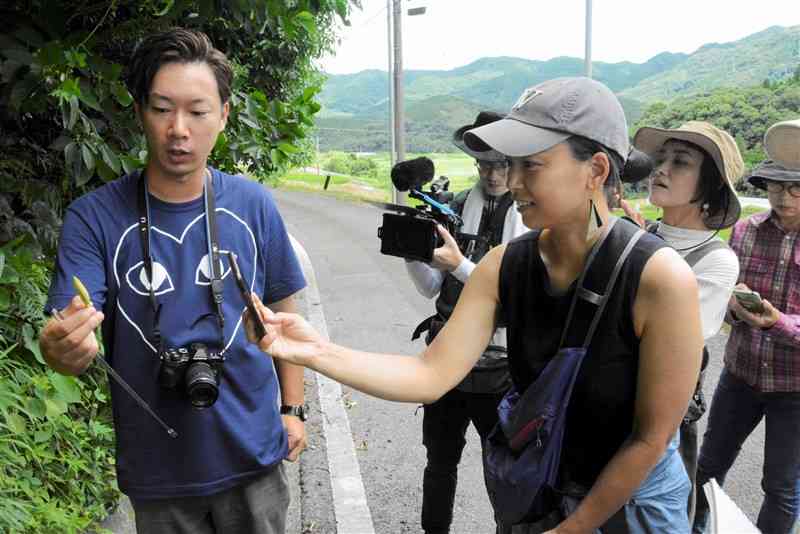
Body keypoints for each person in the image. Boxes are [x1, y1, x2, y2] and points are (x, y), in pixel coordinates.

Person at [245, 77, 705, 533]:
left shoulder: (659, 279)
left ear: (597, 171)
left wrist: (574, 527)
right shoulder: (506, 266)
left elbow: (650, 438)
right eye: (512, 164)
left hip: (632, 503)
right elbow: (429, 374)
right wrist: (314, 350)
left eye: (533, 165)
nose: (515, 181)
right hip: (542, 486)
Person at [38, 28, 307, 534]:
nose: (178, 129)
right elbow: (66, 332)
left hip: (254, 455)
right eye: (162, 108)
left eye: (197, 111)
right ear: (140, 112)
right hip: (157, 469)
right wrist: (63, 347)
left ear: (224, 115)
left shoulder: (253, 205)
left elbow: (281, 307)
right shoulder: (93, 218)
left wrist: (293, 410)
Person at [404, 111, 527, 534]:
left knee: (505, 474)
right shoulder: (454, 208)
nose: (492, 173)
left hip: (504, 367)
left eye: (500, 163)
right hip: (447, 360)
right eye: (484, 164)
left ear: (516, 162)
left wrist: (458, 263)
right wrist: (414, 251)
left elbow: (513, 295)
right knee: (439, 462)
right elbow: (429, 287)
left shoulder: (532, 218)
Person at [627, 121, 743, 522]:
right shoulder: (644, 235)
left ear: (709, 187)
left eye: (680, 162)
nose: (661, 169)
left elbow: (673, 338)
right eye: (661, 159)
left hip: (658, 425)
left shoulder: (716, 260)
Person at [692, 158, 800, 534]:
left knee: (781, 487)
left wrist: (778, 322)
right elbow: (727, 298)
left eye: (794, 188)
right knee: (707, 466)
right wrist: (735, 309)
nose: (782, 197)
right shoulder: (744, 231)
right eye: (774, 186)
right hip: (741, 373)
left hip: (795, 389)